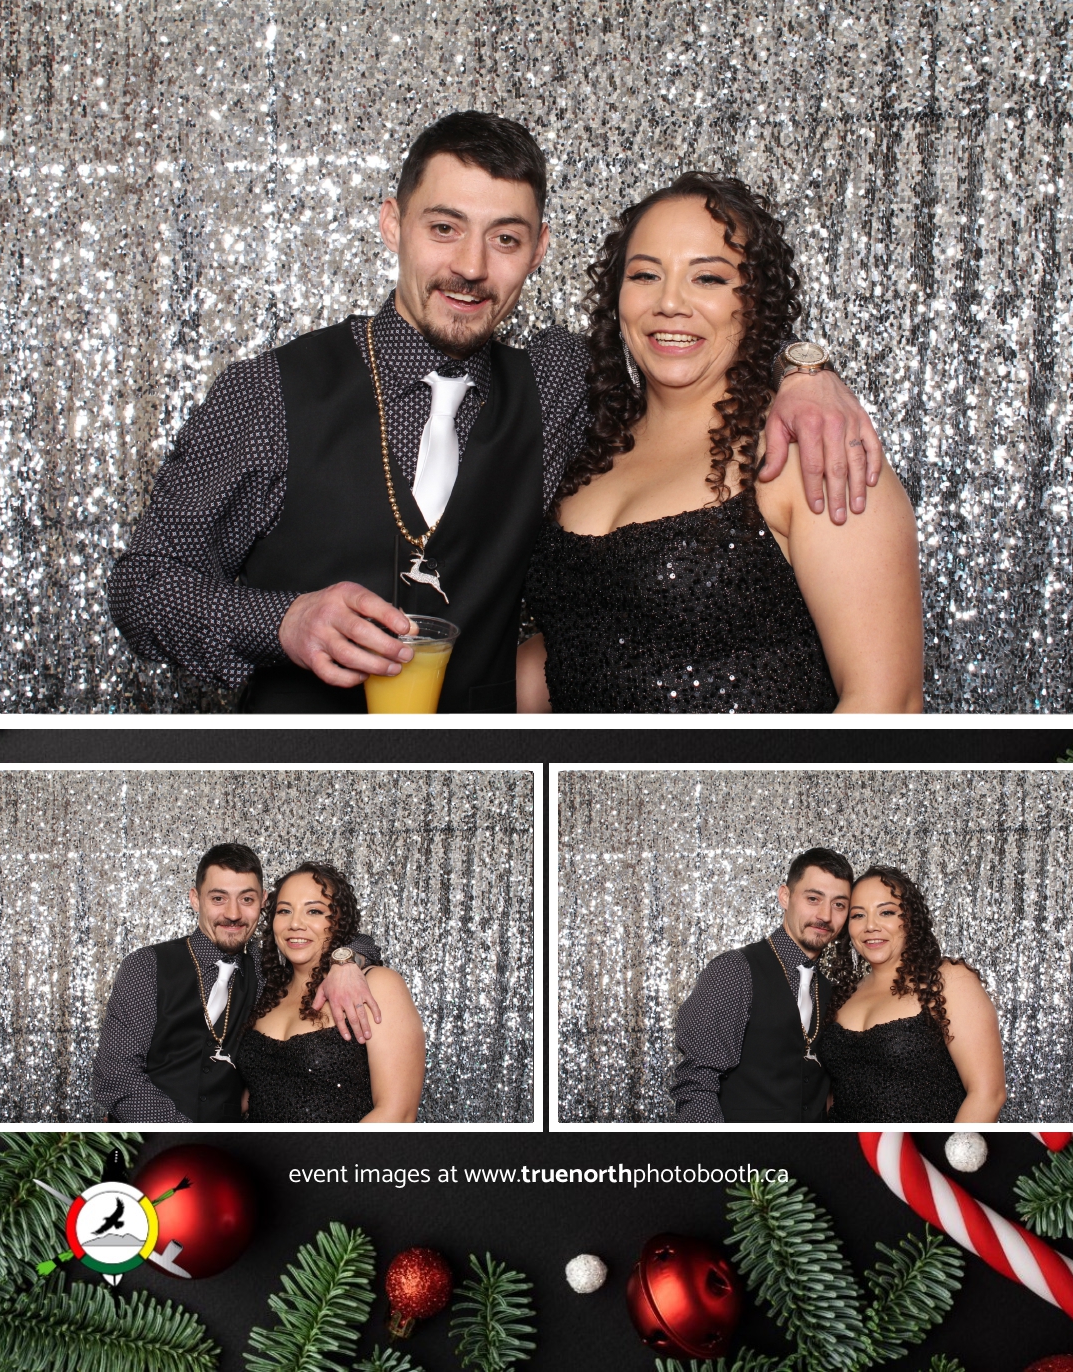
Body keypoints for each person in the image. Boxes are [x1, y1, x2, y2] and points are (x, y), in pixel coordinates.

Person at [107, 114, 884, 713]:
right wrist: (281, 621)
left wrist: (803, 371)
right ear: (393, 225)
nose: (471, 268)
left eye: (504, 239)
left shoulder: (561, 381)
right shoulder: (267, 393)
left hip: (488, 779)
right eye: (444, 228)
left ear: (538, 250)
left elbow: (687, 348)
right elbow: (142, 586)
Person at [518, 173, 924, 712]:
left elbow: (887, 702)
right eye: (645, 275)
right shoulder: (584, 445)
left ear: (755, 300)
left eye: (707, 278)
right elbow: (578, 656)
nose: (669, 303)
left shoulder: (810, 447)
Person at [91, 843, 380, 1124]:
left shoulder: (268, 971)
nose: (233, 914)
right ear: (195, 899)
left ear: (263, 901)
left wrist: (346, 962)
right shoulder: (146, 965)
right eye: (218, 898)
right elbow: (115, 1075)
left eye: (247, 899)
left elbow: (358, 939)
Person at [670, 848, 853, 1123]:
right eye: (813, 898)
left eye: (839, 904)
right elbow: (696, 1084)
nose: (825, 915)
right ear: (785, 897)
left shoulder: (830, 991)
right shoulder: (734, 970)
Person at [237, 863, 425, 1123]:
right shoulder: (265, 991)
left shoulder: (377, 985)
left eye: (314, 911)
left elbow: (398, 1114)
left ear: (338, 921)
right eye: (284, 911)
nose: (295, 923)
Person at [819, 865, 1007, 1124]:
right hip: (845, 1147)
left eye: (886, 912)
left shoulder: (947, 980)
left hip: (927, 1148)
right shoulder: (841, 994)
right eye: (858, 915)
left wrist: (954, 1149)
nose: (870, 926)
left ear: (910, 919)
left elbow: (988, 1095)